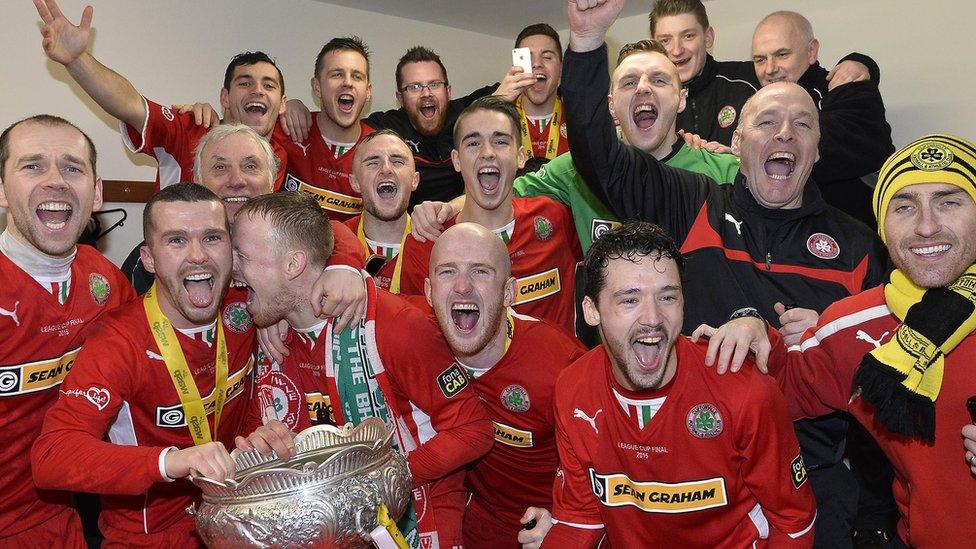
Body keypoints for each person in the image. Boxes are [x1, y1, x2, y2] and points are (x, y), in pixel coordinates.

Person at [563, 0, 891, 544]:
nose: (784, 134)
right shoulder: (692, 202)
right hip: (694, 468)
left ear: (817, 149)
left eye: (802, 124)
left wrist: (826, 337)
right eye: (766, 121)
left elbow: (884, 386)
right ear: (739, 142)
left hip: (813, 475)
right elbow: (599, 155)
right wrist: (586, 38)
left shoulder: (857, 245)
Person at [710, 133, 976, 548]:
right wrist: (755, 330)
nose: (926, 226)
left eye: (949, 201)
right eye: (904, 206)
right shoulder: (853, 327)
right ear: (883, 226)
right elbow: (783, 388)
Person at [231, 192, 493, 548]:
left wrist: (375, 478)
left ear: (293, 265)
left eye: (243, 257)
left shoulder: (393, 325)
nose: (232, 268)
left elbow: (474, 430)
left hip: (413, 521)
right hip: (331, 528)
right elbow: (263, 421)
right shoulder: (272, 330)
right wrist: (262, 440)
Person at [538, 221, 815, 547]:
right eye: (629, 300)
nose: (653, 318)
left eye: (667, 297)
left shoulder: (744, 390)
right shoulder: (574, 388)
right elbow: (579, 518)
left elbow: (794, 521)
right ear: (592, 310)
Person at [31, 183, 256, 547]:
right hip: (148, 538)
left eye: (212, 238)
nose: (198, 256)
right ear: (148, 259)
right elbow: (52, 457)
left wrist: (259, 432)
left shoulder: (248, 312)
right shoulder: (118, 341)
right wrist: (170, 462)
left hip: (237, 521)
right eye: (177, 241)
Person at [412, 39, 741, 254]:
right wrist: (444, 209)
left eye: (658, 80)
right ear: (611, 106)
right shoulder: (576, 170)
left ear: (681, 98)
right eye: (629, 82)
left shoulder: (724, 170)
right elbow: (502, 191)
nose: (643, 89)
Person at [0, 115, 135, 546]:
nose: (56, 180)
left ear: (96, 193)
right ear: (1, 190)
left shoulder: (106, 280)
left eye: (73, 168)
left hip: (63, 520)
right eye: (32, 165)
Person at [419, 223, 585, 547]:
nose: (462, 286)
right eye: (447, 272)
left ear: (509, 292)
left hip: (547, 525)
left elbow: (610, 466)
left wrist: (571, 524)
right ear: (428, 291)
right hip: (473, 524)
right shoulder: (416, 340)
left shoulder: (560, 365)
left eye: (480, 272)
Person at [34, 0, 289, 189]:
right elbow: (130, 104)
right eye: (245, 83)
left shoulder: (284, 151)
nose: (257, 90)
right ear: (224, 98)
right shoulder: (190, 128)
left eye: (269, 85)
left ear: (281, 104)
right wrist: (77, 60)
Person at [397, 96, 582, 334]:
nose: (487, 153)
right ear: (456, 160)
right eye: (473, 143)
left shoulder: (555, 218)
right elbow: (417, 337)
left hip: (556, 369)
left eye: (500, 141)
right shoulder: (427, 240)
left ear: (521, 156)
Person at [283, 45, 537, 207]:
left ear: (448, 91)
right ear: (399, 98)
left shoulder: (468, 114)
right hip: (410, 236)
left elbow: (519, 88)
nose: (426, 94)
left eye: (434, 84)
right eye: (414, 87)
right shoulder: (384, 127)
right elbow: (342, 124)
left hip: (462, 224)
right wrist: (294, 106)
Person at [649, 0, 873, 147]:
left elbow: (808, 80)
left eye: (688, 36)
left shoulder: (753, 78)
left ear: (708, 38)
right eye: (665, 40)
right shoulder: (648, 102)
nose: (676, 50)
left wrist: (862, 64)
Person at [751, 11, 894, 228]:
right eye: (760, 59)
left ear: (811, 51)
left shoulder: (850, 90)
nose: (769, 69)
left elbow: (829, 146)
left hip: (851, 248)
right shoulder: (751, 101)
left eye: (782, 55)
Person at [277, 37, 376, 222]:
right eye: (336, 74)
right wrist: (205, 114)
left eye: (357, 76)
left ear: (368, 91)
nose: (347, 83)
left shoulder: (378, 149)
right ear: (317, 87)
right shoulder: (288, 129)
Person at [344, 129, 418, 291]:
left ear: (415, 180)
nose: (386, 169)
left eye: (397, 161)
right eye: (372, 162)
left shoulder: (436, 245)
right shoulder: (332, 244)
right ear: (355, 182)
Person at [512, 23, 569, 160]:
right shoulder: (500, 120)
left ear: (561, 68)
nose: (536, 63)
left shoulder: (579, 121)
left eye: (547, 57)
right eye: (528, 57)